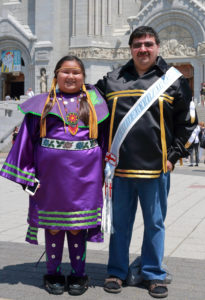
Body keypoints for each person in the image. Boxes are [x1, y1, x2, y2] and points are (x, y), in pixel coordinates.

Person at [96, 26, 197, 298]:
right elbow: (88, 112)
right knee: (120, 224)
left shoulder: (174, 80)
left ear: (157, 47)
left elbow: (188, 124)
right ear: (130, 48)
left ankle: (153, 273)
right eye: (138, 44)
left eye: (148, 44)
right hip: (119, 168)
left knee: (154, 224)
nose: (143, 49)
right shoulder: (112, 79)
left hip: (156, 169)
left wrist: (174, 157)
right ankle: (116, 272)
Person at [0, 55, 109, 296]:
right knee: (54, 227)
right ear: (56, 75)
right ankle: (53, 273)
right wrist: (27, 175)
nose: (71, 76)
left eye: (76, 72)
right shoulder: (42, 103)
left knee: (77, 227)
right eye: (65, 72)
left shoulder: (95, 103)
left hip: (85, 178)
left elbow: (103, 139)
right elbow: (26, 140)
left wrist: (106, 170)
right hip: (50, 178)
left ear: (83, 76)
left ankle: (79, 275)